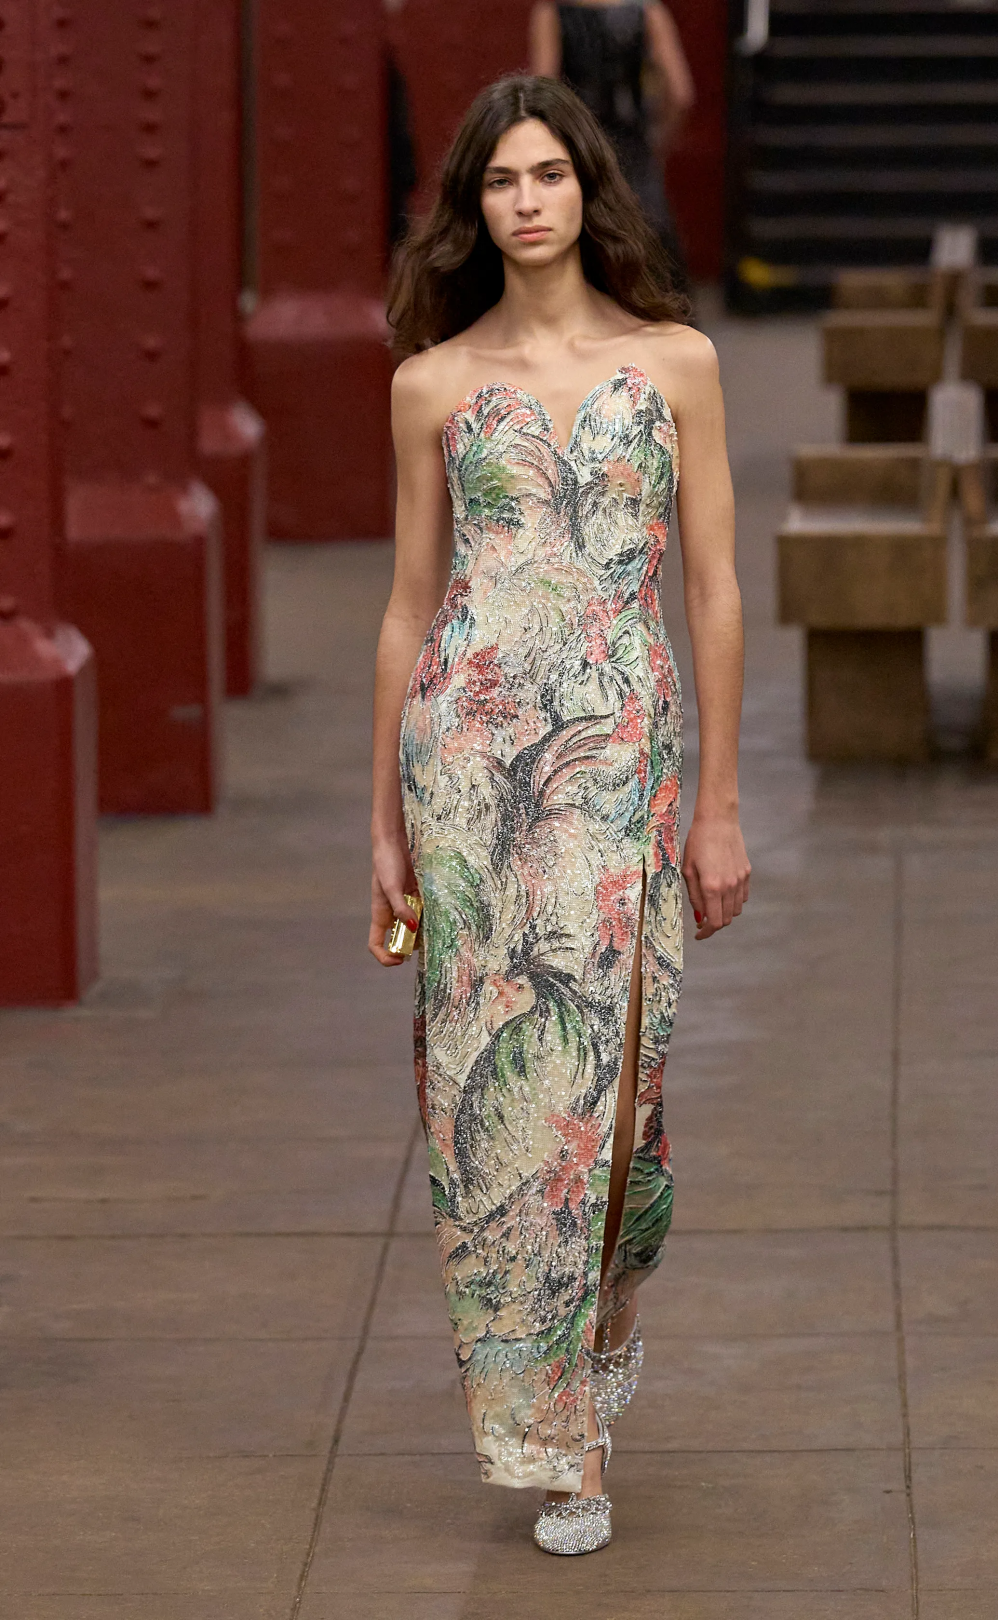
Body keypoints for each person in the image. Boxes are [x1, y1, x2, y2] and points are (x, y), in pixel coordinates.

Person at [370, 75, 749, 1556]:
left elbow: (710, 589)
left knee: (623, 1109)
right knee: (500, 1112)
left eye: (549, 174)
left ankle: (607, 1320)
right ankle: (560, 1440)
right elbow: (408, 610)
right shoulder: (431, 383)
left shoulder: (678, 362)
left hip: (625, 775)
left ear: (590, 187)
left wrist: (720, 804)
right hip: (468, 779)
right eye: (499, 181)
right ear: (473, 208)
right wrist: (384, 824)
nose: (527, 201)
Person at [528, 0, 695, 274]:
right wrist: (658, 139)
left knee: (582, 249)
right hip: (634, 146)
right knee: (651, 253)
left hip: (579, 145)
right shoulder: (648, 10)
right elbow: (680, 94)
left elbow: (544, 92)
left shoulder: (552, 11)